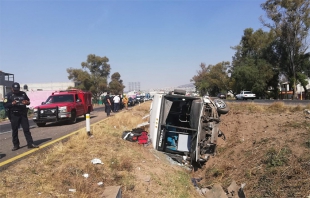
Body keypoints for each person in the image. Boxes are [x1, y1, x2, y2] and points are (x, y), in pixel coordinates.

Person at [4, 82, 39, 151]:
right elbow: (5, 105)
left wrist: (27, 102)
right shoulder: (8, 95)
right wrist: (12, 103)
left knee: (26, 129)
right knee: (15, 130)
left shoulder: (23, 93)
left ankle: (30, 143)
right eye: (15, 89)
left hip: (23, 114)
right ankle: (16, 145)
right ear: (12, 88)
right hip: (14, 115)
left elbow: (28, 101)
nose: (16, 91)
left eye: (17, 89)